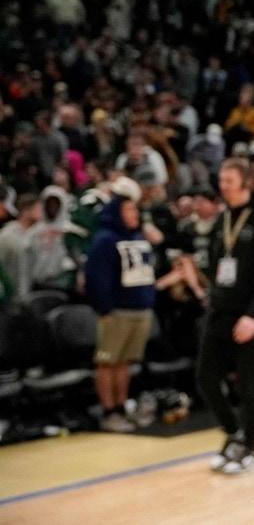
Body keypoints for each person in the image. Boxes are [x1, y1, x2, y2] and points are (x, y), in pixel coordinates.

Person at [198, 157, 254, 475]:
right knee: (205, 377)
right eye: (221, 180)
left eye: (229, 181)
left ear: (246, 183)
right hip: (221, 310)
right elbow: (217, 261)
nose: (223, 186)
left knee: (249, 383)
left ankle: (250, 446)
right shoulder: (223, 219)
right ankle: (235, 433)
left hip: (249, 314)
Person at [84, 177, 154, 433]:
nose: (134, 214)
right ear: (116, 212)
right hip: (117, 311)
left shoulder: (138, 236)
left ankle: (123, 406)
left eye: (135, 209)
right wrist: (104, 308)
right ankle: (109, 411)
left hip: (140, 308)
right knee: (107, 362)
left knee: (125, 362)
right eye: (129, 209)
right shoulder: (104, 239)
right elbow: (96, 277)